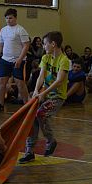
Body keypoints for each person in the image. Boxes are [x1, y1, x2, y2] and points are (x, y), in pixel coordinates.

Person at [20, 31, 70, 163]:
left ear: (53, 44)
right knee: (32, 116)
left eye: (45, 44)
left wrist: (44, 93)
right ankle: (29, 151)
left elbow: (59, 81)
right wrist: (36, 90)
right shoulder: (45, 58)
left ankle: (51, 140)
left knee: (41, 114)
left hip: (57, 96)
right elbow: (41, 76)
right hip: (44, 93)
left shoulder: (64, 60)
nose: (43, 46)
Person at [0, 8, 31, 112]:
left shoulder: (20, 30)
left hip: (18, 60)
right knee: (1, 82)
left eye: (10, 18)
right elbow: (0, 45)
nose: (8, 20)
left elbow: (26, 45)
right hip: (5, 60)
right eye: (7, 18)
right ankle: (0, 104)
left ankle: (26, 105)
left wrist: (20, 59)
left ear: (15, 18)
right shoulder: (3, 30)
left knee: (20, 83)